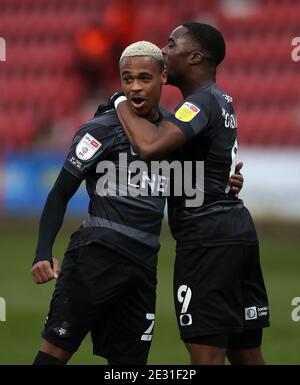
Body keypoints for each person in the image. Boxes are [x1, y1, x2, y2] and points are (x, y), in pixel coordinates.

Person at [31, 41, 243, 365]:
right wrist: (43, 252)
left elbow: (190, 184)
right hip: (95, 258)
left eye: (144, 77)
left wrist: (223, 185)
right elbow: (60, 192)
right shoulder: (100, 130)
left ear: (163, 77)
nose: (134, 87)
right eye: (127, 79)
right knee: (56, 351)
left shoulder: (175, 135)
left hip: (143, 267)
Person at [112, 23, 270, 365]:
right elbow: (203, 163)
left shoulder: (197, 105)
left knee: (206, 355)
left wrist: (121, 101)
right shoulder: (222, 99)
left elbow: (150, 148)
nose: (164, 50)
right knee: (246, 352)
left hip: (206, 238)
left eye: (171, 43)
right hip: (236, 231)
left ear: (195, 57)